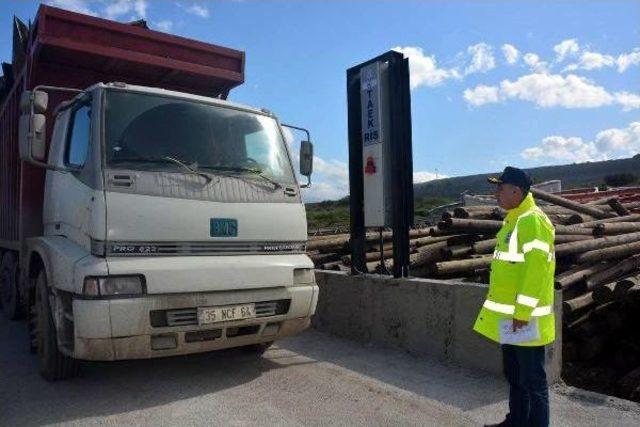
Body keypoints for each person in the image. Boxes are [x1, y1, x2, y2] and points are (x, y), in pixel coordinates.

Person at [473, 166, 556, 427]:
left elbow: (536, 273)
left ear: (516, 191)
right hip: (511, 318)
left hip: (525, 318)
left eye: (500, 187)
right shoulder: (515, 220)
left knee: (533, 380)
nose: (496, 193)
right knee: (515, 376)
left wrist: (522, 313)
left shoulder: (533, 221)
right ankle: (517, 421)